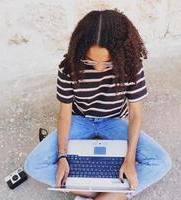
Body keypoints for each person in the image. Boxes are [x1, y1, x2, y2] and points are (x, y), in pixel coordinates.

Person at [24, 9, 172, 200]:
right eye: (91, 61)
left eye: (108, 63)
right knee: (33, 165)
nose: (99, 68)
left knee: (161, 162)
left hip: (114, 122)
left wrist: (129, 160)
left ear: (120, 55)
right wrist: (62, 157)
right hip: (80, 120)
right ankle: (108, 194)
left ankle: (98, 195)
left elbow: (135, 115)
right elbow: (64, 115)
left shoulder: (131, 67)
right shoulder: (69, 67)